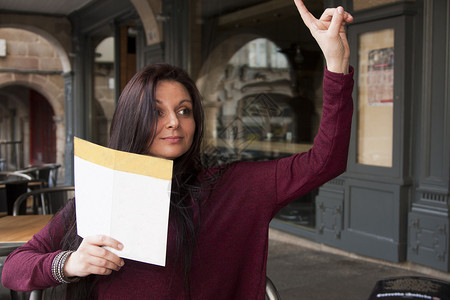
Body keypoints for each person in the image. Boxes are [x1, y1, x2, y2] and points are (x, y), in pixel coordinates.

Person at [2, 1, 354, 299]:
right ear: (133, 120)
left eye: (184, 110)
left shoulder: (233, 187)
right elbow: (14, 267)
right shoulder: (103, 198)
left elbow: (325, 161)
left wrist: (335, 64)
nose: (174, 122)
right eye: (157, 112)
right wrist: (68, 264)